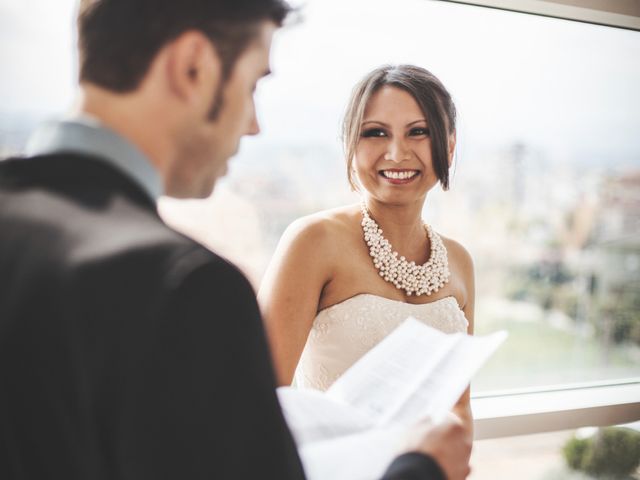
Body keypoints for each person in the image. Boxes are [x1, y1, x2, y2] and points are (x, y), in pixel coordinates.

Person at [0, 0, 471, 478]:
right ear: (193, 66)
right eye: (252, 85)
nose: (254, 124)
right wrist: (421, 468)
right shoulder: (189, 285)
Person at [260, 64, 475, 435]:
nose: (396, 153)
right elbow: (256, 400)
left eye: (419, 132)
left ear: (449, 145)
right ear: (349, 144)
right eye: (375, 132)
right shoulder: (313, 241)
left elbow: (459, 409)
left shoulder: (459, 261)